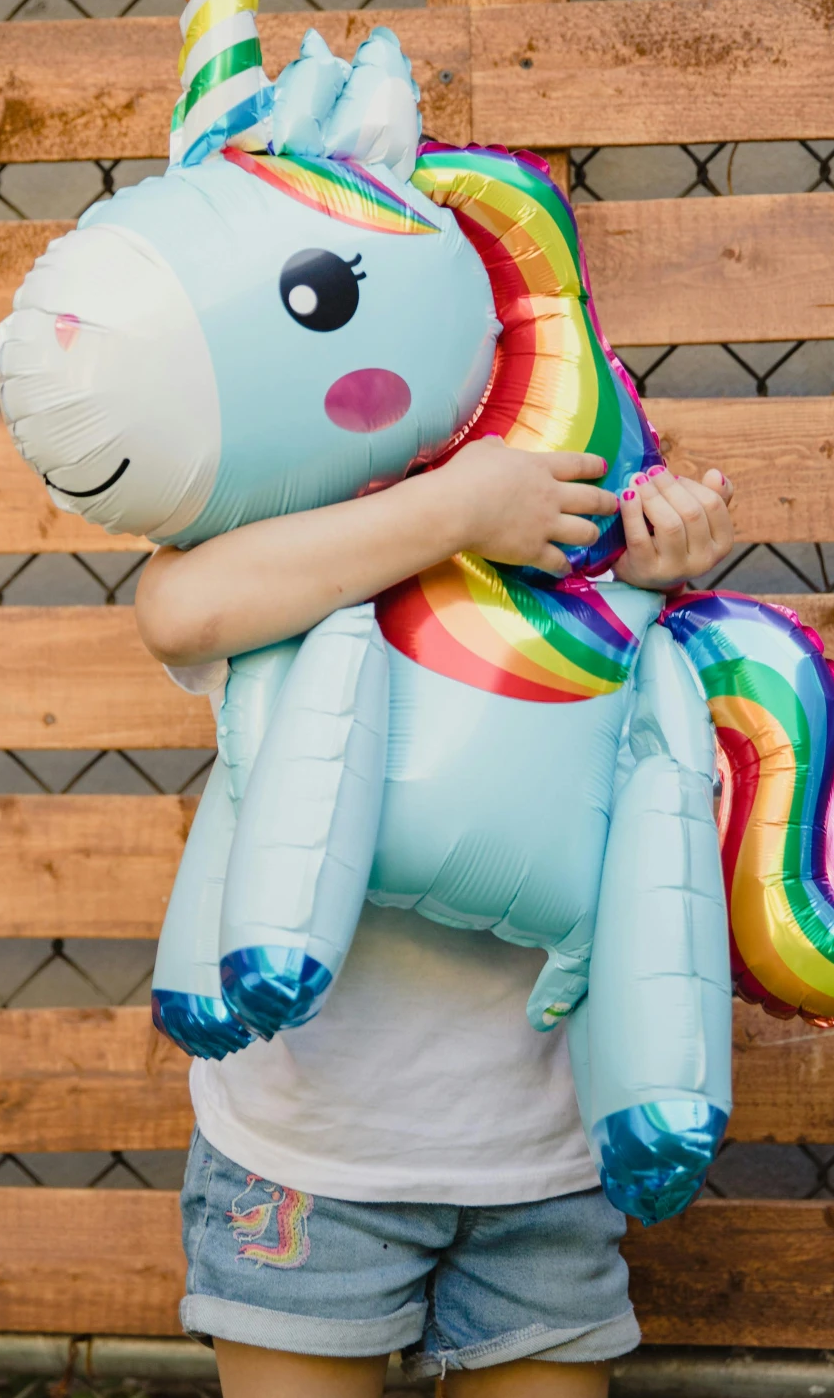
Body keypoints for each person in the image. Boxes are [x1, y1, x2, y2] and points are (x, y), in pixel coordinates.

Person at [134, 437, 737, 1398]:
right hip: (306, 1161)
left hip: (540, 1168)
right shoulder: (316, 563)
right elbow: (176, 609)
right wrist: (455, 509)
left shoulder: (587, 593)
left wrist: (647, 571)